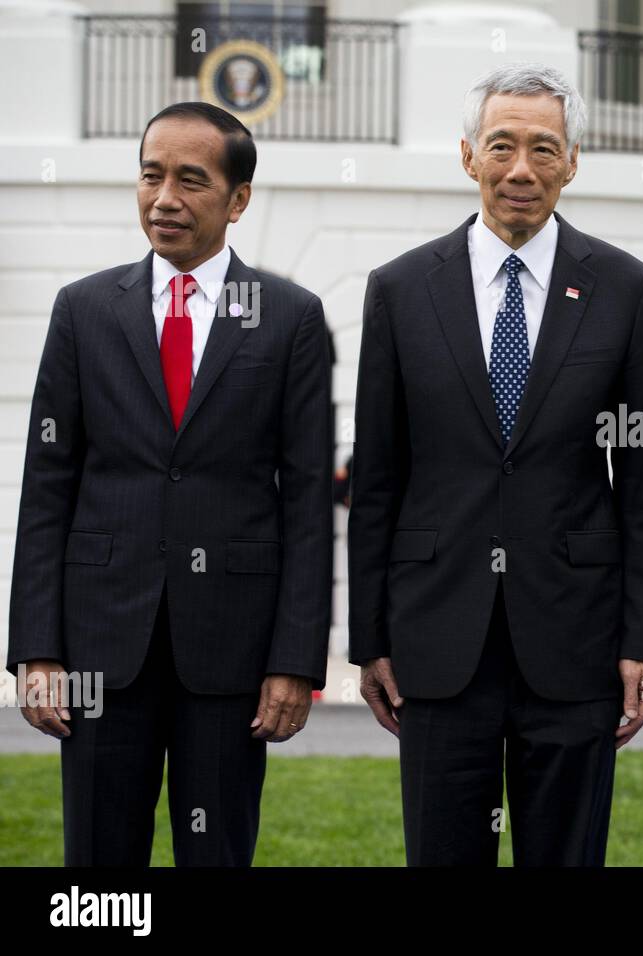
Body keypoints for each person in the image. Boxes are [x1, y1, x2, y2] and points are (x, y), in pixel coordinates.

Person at [347, 64, 643, 866]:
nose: (521, 169)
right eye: (502, 146)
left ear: (572, 164)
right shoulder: (398, 290)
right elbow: (377, 479)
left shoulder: (628, 290)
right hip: (435, 637)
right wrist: (369, 639)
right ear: (468, 156)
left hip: (578, 636)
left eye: (543, 149)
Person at [7, 102, 334, 866]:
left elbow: (310, 500)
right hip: (98, 645)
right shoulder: (83, 310)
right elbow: (47, 485)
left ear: (239, 199)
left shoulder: (291, 319)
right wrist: (38, 650)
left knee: (215, 852)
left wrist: (295, 663)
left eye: (192, 180)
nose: (164, 199)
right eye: (152, 176)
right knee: (98, 863)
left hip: (231, 651)